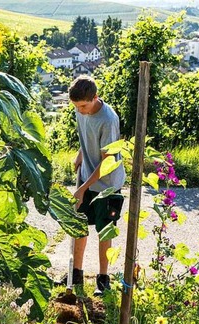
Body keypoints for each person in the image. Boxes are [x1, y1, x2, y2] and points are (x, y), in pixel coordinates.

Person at [58, 75, 126, 298]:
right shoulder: (81, 109)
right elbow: (85, 135)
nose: (79, 110)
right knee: (79, 226)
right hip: (87, 175)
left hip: (107, 184)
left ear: (95, 98)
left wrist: (82, 188)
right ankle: (75, 273)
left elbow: (107, 161)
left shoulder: (108, 120)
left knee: (104, 230)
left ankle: (103, 279)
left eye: (83, 106)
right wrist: (80, 153)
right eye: (76, 106)